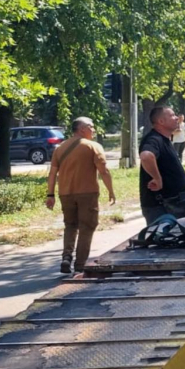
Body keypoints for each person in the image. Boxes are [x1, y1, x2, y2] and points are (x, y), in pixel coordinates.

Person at [46, 117, 116, 274]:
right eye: (91, 127)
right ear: (82, 129)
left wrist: (50, 194)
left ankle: (66, 257)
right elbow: (103, 171)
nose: (93, 130)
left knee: (70, 225)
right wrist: (111, 191)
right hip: (87, 193)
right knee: (87, 226)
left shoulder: (60, 148)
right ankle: (80, 265)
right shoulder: (93, 146)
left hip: (65, 193)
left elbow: (52, 173)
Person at [139, 106, 185, 225]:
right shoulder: (153, 139)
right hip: (163, 206)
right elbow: (146, 156)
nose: (177, 118)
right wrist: (157, 179)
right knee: (167, 241)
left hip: (174, 202)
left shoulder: (164, 139)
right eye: (172, 115)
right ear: (161, 121)